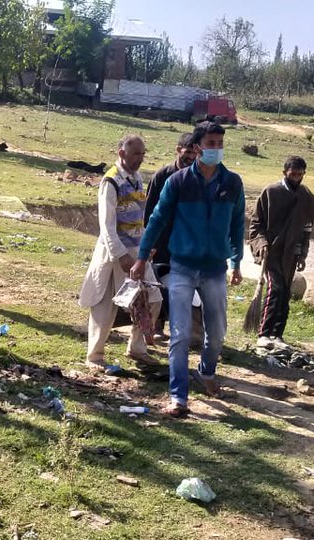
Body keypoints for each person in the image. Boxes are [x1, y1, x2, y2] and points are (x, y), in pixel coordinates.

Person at [131, 121, 245, 418]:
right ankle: (178, 396)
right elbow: (156, 219)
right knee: (180, 334)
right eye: (210, 143)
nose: (216, 148)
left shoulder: (233, 183)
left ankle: (206, 371)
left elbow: (237, 224)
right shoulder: (178, 182)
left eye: (220, 143)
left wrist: (237, 262)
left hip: (215, 269)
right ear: (197, 147)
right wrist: (142, 258)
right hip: (181, 266)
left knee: (217, 333)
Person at [79, 135, 161, 373]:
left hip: (137, 251)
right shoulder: (111, 181)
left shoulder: (137, 178)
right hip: (113, 253)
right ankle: (95, 356)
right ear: (122, 153)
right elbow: (107, 226)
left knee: (152, 299)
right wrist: (121, 255)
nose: (140, 159)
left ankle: (137, 348)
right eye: (136, 154)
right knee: (104, 306)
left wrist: (145, 245)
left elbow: (138, 218)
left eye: (142, 154)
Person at [247, 156, 314, 351]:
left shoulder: (305, 195)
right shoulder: (271, 192)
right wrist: (261, 244)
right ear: (284, 173)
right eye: (293, 174)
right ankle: (264, 334)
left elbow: (307, 227)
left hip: (291, 253)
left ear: (304, 174)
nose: (296, 178)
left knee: (285, 293)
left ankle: (277, 334)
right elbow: (256, 224)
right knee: (275, 289)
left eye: (300, 174)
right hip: (271, 251)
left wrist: (303, 253)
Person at [144, 133, 197, 341]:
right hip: (162, 240)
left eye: (195, 154)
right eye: (188, 152)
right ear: (178, 150)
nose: (191, 157)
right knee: (158, 283)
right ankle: (156, 325)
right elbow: (149, 210)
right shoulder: (162, 175)